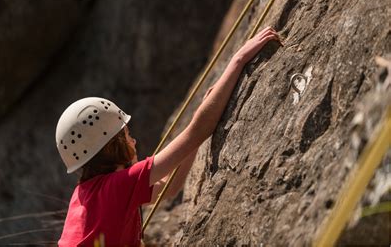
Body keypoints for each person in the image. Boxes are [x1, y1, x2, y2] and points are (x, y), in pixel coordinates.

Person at [56, 27, 280, 246]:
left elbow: (170, 188)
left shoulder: (85, 194)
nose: (134, 141)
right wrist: (239, 60)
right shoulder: (116, 187)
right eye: (126, 135)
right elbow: (198, 131)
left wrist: (196, 136)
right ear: (111, 147)